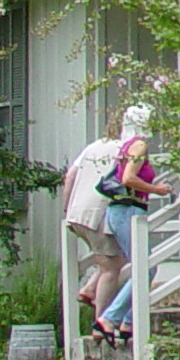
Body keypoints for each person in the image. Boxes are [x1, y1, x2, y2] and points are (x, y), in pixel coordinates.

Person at [94, 104, 172, 345]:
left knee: (143, 267)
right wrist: (156, 189)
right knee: (145, 268)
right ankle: (110, 318)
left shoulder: (126, 146)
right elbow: (128, 178)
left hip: (121, 211)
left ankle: (128, 322)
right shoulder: (139, 146)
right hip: (128, 209)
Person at [59, 107, 127, 342]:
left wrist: (67, 209)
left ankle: (89, 289)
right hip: (98, 214)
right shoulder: (124, 149)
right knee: (111, 268)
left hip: (78, 214)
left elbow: (70, 176)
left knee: (109, 258)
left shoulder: (93, 147)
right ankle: (101, 324)